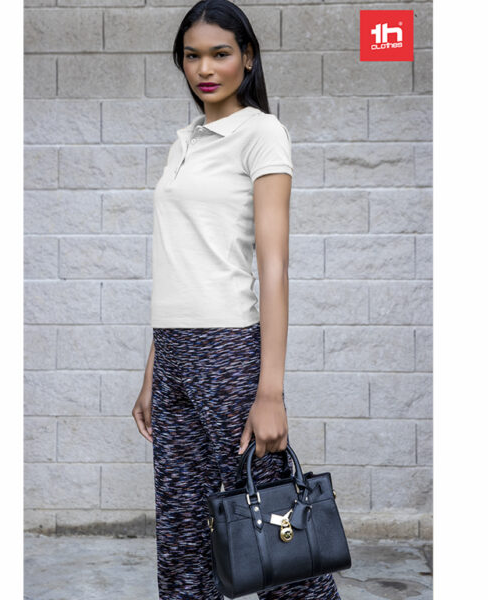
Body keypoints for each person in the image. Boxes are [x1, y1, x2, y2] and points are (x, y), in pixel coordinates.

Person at [132, 1, 342, 598]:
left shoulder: (261, 132)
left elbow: (273, 266)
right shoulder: (184, 142)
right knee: (183, 534)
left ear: (247, 58)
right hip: (174, 352)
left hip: (227, 350)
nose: (205, 68)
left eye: (220, 53)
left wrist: (270, 391)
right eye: (192, 55)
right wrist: (153, 370)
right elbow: (181, 263)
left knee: (276, 526)